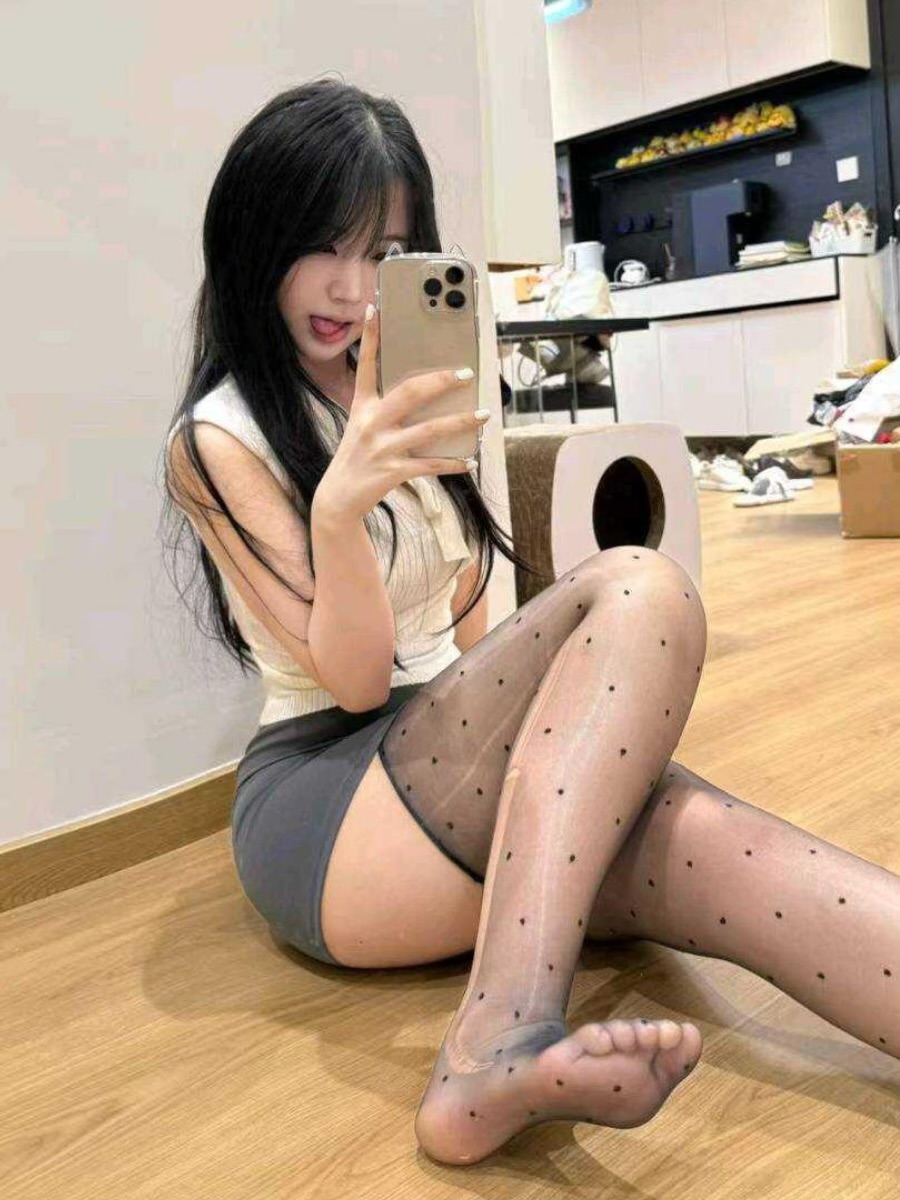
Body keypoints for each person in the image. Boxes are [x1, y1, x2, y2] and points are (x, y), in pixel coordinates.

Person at [161, 78, 899, 1166]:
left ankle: (501, 1040)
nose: (350, 288)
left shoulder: (404, 396)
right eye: (321, 245)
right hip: (329, 812)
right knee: (641, 583)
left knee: (716, 843)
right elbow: (356, 685)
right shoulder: (218, 439)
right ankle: (494, 1038)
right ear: (251, 236)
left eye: (384, 253)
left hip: (440, 773)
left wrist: (574, 764)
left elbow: (474, 641)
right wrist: (340, 508)